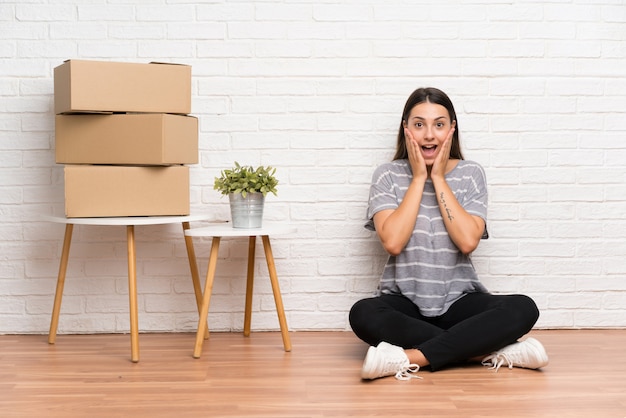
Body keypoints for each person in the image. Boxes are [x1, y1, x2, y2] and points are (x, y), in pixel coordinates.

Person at [349, 87, 548, 380]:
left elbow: (468, 242)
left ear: (452, 129)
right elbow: (392, 242)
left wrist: (438, 177)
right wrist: (419, 178)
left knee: (523, 308)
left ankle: (408, 357)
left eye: (439, 124)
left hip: (460, 301)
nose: (429, 135)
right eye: (419, 124)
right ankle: (489, 350)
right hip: (404, 302)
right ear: (406, 129)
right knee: (362, 313)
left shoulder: (470, 173)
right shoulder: (387, 175)